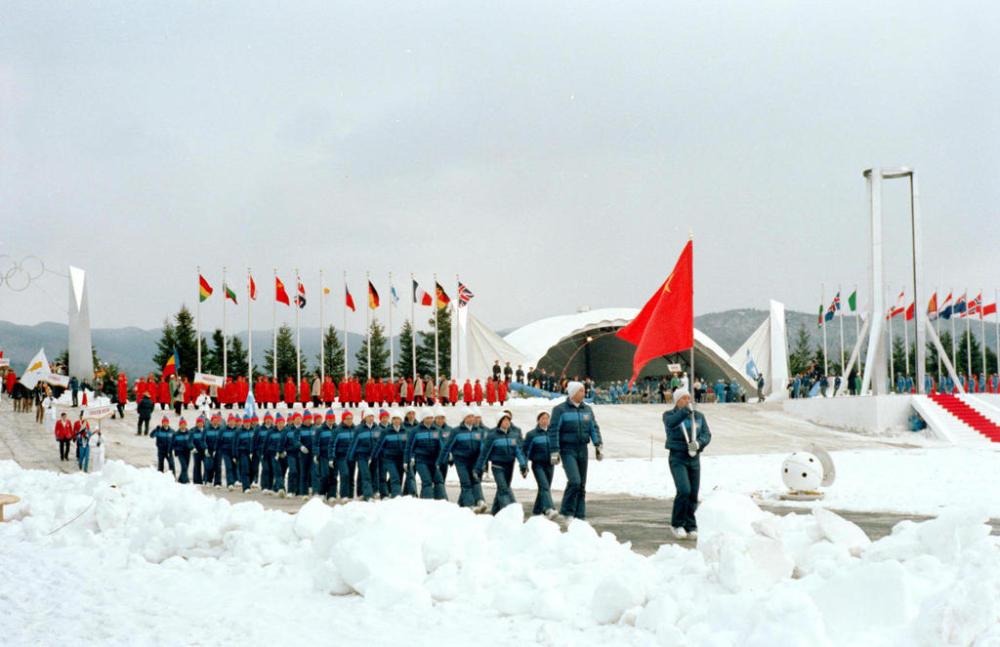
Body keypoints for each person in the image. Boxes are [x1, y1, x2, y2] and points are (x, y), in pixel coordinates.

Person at [547, 381, 603, 520]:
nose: (584, 393)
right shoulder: (560, 410)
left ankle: (580, 517)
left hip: (582, 449)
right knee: (574, 481)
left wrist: (598, 445)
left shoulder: (587, 409)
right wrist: (554, 450)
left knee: (582, 485)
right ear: (572, 393)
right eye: (581, 391)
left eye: (584, 391)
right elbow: (554, 431)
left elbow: (593, 428)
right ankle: (566, 512)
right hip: (567, 449)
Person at [662, 388, 712, 539]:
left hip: (694, 457)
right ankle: (677, 524)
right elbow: (671, 423)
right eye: (683, 398)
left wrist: (699, 443)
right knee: (684, 490)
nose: (687, 401)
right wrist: (685, 411)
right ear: (677, 401)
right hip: (678, 457)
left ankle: (690, 525)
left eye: (688, 398)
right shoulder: (669, 415)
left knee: (693, 493)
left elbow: (706, 434)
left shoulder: (698, 416)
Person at [475, 411, 527, 515]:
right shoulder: (492, 436)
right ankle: (507, 513)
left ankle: (494, 513)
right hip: (497, 466)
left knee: (502, 488)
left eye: (508, 420)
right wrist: (479, 468)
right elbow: (484, 453)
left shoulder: (513, 435)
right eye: (504, 420)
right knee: (503, 489)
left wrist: (523, 465)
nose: (507, 422)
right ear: (499, 422)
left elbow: (518, 451)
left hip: (509, 466)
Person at [439, 407, 487, 511]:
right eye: (469, 416)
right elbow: (447, 447)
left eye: (472, 416)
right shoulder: (456, 431)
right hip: (461, 461)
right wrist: (441, 461)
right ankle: (470, 505)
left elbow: (483, 447)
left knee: (475, 480)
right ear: (464, 418)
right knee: (466, 483)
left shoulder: (479, 431)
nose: (471, 418)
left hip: (474, 460)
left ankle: (480, 501)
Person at [406, 408, 446, 500]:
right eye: (428, 418)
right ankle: (428, 501)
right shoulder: (415, 431)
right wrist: (410, 458)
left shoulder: (437, 430)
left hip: (434, 460)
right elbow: (409, 447)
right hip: (421, 460)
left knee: (439, 480)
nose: (430, 420)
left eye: (431, 418)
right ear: (423, 419)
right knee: (427, 481)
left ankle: (441, 501)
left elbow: (442, 446)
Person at [523, 411, 556, 518]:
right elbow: (526, 451)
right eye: (543, 418)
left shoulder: (553, 433)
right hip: (538, 465)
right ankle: (549, 509)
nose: (545, 421)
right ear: (538, 420)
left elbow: (556, 447)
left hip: (550, 464)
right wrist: (524, 466)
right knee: (544, 486)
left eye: (547, 418)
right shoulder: (531, 434)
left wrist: (556, 458)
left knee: (545, 488)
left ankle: (537, 511)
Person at [372, 410, 408, 498]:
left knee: (399, 476)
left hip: (400, 458)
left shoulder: (405, 431)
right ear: (392, 420)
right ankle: (397, 496)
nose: (396, 421)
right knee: (395, 476)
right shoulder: (386, 432)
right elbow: (379, 445)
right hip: (389, 458)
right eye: (394, 419)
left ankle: (392, 492)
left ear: (401, 420)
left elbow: (408, 446)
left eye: (398, 419)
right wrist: (373, 457)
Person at [346, 409, 380, 500]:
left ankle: (368, 491)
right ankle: (368, 495)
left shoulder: (377, 428)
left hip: (373, 455)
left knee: (373, 474)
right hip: (362, 455)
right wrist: (350, 456)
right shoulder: (359, 429)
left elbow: (379, 443)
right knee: (366, 475)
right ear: (365, 418)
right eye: (369, 416)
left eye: (372, 416)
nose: (371, 418)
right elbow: (354, 443)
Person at [333, 411, 356, 500]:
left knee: (351, 475)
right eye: (347, 419)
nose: (350, 420)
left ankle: (350, 495)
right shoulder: (338, 430)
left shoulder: (355, 429)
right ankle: (344, 495)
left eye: (351, 418)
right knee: (345, 474)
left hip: (352, 456)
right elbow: (332, 444)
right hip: (341, 456)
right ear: (343, 420)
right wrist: (332, 457)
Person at [173, 418, 193, 483]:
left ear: (186, 425)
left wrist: (191, 447)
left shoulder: (189, 433)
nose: (183, 426)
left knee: (186, 467)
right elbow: (173, 444)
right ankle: (185, 480)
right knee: (184, 466)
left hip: (187, 452)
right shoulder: (176, 434)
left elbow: (191, 442)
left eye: (184, 424)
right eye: (181, 424)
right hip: (180, 452)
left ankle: (180, 479)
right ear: (179, 425)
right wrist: (176, 450)